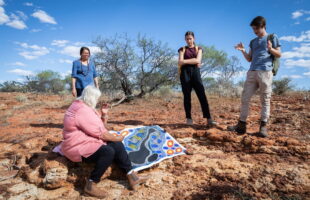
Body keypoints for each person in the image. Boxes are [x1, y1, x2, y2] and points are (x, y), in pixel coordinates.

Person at [61, 86, 148, 198]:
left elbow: (99, 126)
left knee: (116, 145)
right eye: (96, 98)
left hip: (86, 140)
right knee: (108, 151)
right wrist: (118, 137)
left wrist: (103, 114)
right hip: (76, 145)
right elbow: (101, 133)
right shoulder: (82, 110)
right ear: (91, 97)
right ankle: (90, 185)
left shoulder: (83, 105)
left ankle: (132, 176)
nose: (97, 100)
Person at [228, 16, 281, 137]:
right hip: (252, 72)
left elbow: (279, 54)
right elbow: (249, 59)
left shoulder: (272, 37)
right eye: (253, 29)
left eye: (256, 28)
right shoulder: (253, 41)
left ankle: (263, 127)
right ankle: (241, 125)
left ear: (263, 26)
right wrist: (242, 50)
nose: (254, 31)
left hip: (265, 72)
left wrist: (271, 49)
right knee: (245, 98)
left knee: (265, 100)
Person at [178, 31, 216, 126]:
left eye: (190, 38)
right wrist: (193, 61)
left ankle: (209, 118)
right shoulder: (182, 49)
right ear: (185, 39)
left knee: (202, 95)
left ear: (194, 39)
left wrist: (186, 61)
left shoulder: (198, 49)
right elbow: (180, 62)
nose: (189, 40)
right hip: (185, 74)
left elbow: (198, 60)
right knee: (187, 96)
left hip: (195, 73)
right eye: (187, 39)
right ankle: (189, 118)